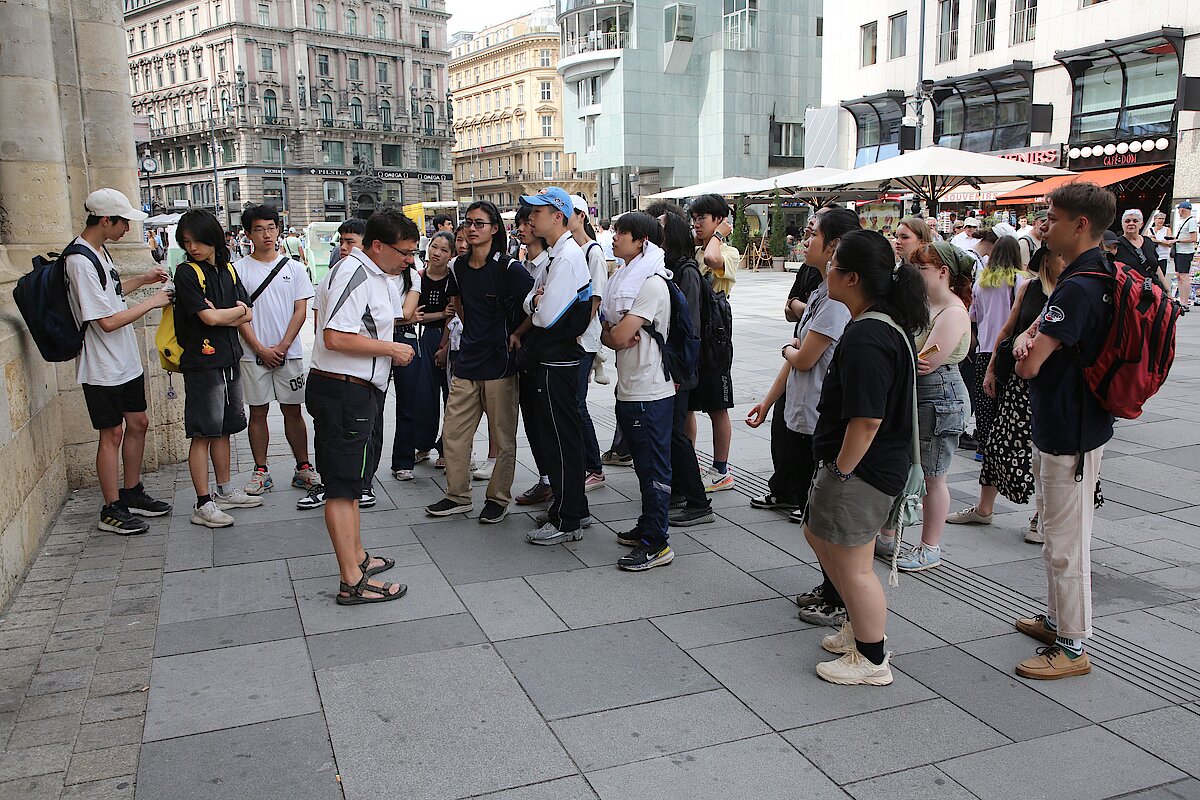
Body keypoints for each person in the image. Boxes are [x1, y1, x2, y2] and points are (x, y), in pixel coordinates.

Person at [805, 229, 927, 686]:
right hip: (867, 465)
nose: (828, 271)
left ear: (852, 278)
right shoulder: (878, 324)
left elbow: (867, 420)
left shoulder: (868, 336)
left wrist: (841, 471)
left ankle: (872, 658)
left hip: (864, 469)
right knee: (818, 534)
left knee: (854, 566)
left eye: (834, 265)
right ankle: (859, 628)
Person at [1009, 181, 1117, 680]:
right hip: (1073, 422)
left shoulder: (1077, 286)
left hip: (1069, 428)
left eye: (1052, 218)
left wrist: (1023, 351)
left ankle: (1073, 646)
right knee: (1058, 532)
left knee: (1066, 540)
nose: (1043, 226)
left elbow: (1030, 364)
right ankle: (1056, 621)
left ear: (1080, 225)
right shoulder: (1097, 271)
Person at [747, 209, 858, 628]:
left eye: (813, 234)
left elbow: (804, 356)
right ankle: (831, 587)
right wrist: (768, 401)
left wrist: (789, 349)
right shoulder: (820, 292)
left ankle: (839, 596)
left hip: (819, 418)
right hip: (800, 411)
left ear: (834, 247)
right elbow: (797, 356)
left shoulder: (835, 302)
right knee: (811, 510)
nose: (805, 240)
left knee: (821, 516)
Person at [307, 209, 416, 605]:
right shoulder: (354, 272)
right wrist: (391, 349)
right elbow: (335, 336)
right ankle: (351, 580)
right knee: (341, 487)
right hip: (343, 391)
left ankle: (357, 558)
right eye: (404, 252)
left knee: (352, 483)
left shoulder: (372, 272)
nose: (409, 260)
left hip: (355, 390)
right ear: (378, 246)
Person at [67, 189, 173, 534]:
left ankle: (132, 492)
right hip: (101, 365)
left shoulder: (100, 251)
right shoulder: (79, 261)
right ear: (105, 220)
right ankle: (111, 509)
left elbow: (109, 295)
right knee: (111, 433)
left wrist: (142, 280)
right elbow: (106, 321)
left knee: (138, 423)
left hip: (124, 360)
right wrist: (152, 302)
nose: (128, 228)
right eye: (123, 222)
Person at [425, 201, 533, 522]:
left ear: (494, 229)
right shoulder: (457, 266)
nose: (472, 229)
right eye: (468, 223)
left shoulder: (509, 268)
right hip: (467, 361)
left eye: (479, 223)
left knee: (503, 438)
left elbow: (536, 304)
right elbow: (458, 303)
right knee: (454, 434)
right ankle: (457, 495)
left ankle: (498, 498)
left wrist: (517, 333)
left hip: (500, 364)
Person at [949, 248, 1061, 540]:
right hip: (1018, 381)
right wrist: (991, 369)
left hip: (1054, 384)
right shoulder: (1029, 287)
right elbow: (1007, 330)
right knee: (998, 443)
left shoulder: (1071, 291)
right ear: (1047, 260)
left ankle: (1042, 517)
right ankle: (983, 508)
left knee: (1047, 452)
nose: (1063, 260)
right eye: (1058, 255)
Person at [878, 242, 972, 573]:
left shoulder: (953, 311)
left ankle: (930, 547)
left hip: (939, 398)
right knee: (904, 468)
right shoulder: (926, 304)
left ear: (943, 272)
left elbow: (927, 362)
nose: (915, 274)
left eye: (922, 268)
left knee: (933, 476)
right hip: (920, 394)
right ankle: (888, 536)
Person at [172, 209, 262, 527]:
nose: (193, 247)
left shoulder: (227, 270)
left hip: (228, 358)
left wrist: (222, 314)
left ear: (213, 238)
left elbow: (248, 313)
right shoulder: (187, 273)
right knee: (203, 432)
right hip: (202, 363)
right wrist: (229, 313)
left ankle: (224, 490)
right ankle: (202, 503)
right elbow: (209, 318)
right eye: (187, 242)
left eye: (198, 241)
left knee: (224, 428)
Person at [519, 187, 595, 544]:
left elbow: (544, 315)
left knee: (561, 440)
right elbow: (530, 301)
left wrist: (537, 303)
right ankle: (574, 509)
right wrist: (536, 301)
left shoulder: (565, 258)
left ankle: (567, 519)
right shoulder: (558, 255)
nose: (530, 218)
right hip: (555, 359)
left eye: (537, 212)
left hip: (558, 360)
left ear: (558, 216)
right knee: (562, 438)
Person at [603, 212, 677, 570]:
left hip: (650, 391)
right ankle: (648, 525)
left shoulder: (650, 285)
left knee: (653, 470)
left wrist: (612, 334)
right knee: (644, 468)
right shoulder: (624, 279)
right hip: (631, 387)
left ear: (642, 242)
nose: (614, 237)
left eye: (622, 233)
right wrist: (611, 334)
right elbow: (610, 332)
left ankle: (657, 543)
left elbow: (617, 335)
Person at [234, 205, 319, 497]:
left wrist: (282, 347)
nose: (266, 235)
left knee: (293, 410)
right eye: (259, 229)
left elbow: (300, 311)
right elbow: (238, 315)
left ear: (278, 230)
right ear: (248, 234)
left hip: (289, 353)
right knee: (257, 412)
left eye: (271, 228)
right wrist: (259, 348)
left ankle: (303, 467)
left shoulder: (294, 268)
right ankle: (261, 470)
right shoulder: (238, 270)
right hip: (251, 354)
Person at [297, 218, 369, 511]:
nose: (343, 248)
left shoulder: (371, 278)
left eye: (351, 242)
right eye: (341, 241)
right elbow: (321, 327)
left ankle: (361, 486)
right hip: (327, 374)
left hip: (357, 378)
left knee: (357, 442)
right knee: (326, 437)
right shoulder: (331, 277)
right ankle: (328, 486)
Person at [658, 212, 715, 529]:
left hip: (680, 367)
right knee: (670, 433)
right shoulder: (670, 268)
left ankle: (698, 501)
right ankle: (679, 490)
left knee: (676, 434)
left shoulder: (687, 271)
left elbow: (689, 327)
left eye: (660, 229)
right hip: (672, 365)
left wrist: (679, 371)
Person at [687, 193, 738, 491]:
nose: (696, 224)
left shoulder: (728, 252)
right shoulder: (695, 250)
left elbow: (712, 259)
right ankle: (688, 462)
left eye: (702, 218)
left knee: (718, 407)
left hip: (715, 338)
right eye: (694, 218)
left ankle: (721, 470)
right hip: (694, 334)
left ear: (719, 220)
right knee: (688, 405)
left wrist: (718, 235)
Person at [964, 236, 1024, 465]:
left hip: (984, 347)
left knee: (984, 400)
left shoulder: (981, 282)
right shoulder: (1018, 280)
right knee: (1006, 400)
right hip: (1008, 348)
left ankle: (983, 445)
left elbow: (974, 316)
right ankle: (1002, 446)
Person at [415, 231, 455, 466]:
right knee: (425, 395)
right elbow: (416, 315)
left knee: (451, 396)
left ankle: (445, 449)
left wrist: (445, 346)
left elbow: (455, 315)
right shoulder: (419, 277)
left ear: (451, 255)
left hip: (450, 338)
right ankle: (423, 444)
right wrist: (440, 314)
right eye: (434, 247)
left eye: (444, 250)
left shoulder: (453, 279)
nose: (437, 253)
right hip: (427, 337)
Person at [387, 233, 425, 481]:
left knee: (408, 404)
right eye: (405, 252)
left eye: (412, 253)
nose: (409, 258)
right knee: (372, 405)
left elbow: (407, 311)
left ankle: (403, 461)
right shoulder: (374, 274)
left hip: (405, 339)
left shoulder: (412, 276)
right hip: (377, 339)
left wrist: (403, 318)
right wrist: (405, 317)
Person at [1114, 209, 1166, 289]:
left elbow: (1156, 268)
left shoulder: (1148, 242)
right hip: (1129, 291)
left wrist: (1167, 290)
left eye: (1135, 221)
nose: (1131, 223)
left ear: (1141, 224)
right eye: (1127, 221)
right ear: (1122, 224)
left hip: (1152, 290)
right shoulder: (1116, 244)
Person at [1168, 200, 1197, 313]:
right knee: (1179, 276)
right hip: (1179, 251)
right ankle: (1182, 300)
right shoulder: (1184, 221)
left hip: (1185, 252)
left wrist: (1178, 240)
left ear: (1182, 209)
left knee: (1184, 276)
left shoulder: (1191, 221)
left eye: (1179, 210)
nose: (1179, 212)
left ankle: (1185, 302)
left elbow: (1193, 238)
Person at [1149, 211, 1172, 279]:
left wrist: (1157, 241)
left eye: (1163, 219)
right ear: (1154, 220)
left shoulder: (1167, 230)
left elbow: (1169, 243)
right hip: (1152, 256)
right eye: (1159, 218)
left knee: (1161, 277)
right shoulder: (1149, 230)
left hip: (1162, 256)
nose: (1161, 220)